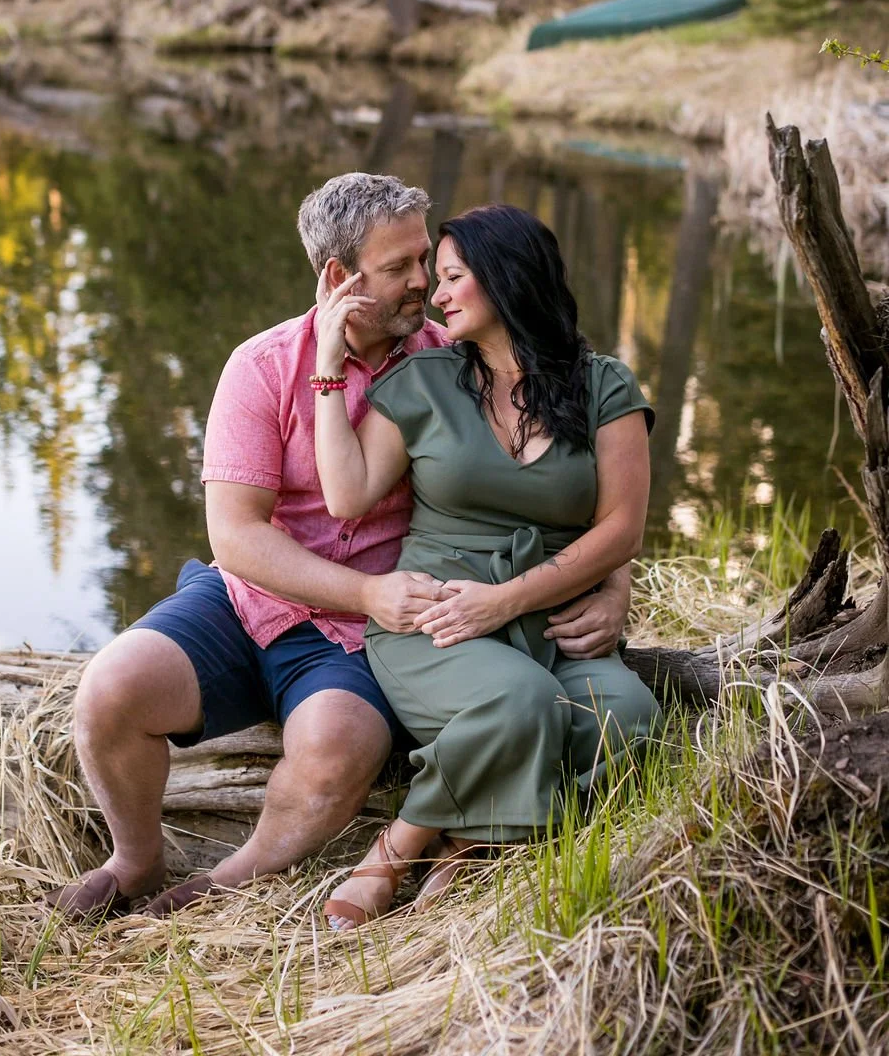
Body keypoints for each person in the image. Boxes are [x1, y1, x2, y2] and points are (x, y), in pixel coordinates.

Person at [46, 175, 635, 922]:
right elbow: (234, 536)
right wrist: (362, 590)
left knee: (335, 748)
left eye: (427, 259)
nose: (426, 281)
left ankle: (223, 886)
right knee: (109, 689)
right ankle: (136, 860)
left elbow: (560, 478)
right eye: (401, 268)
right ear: (338, 279)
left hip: (364, 638)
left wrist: (614, 579)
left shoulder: (453, 355)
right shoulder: (261, 366)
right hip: (249, 601)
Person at [312, 203, 660, 930]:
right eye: (435, 279)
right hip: (434, 620)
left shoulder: (605, 387)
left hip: (551, 621)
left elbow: (622, 527)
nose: (436, 296)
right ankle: (397, 850)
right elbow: (346, 495)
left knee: (630, 719)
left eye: (452, 277)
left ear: (505, 278)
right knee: (523, 702)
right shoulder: (428, 380)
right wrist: (326, 368)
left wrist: (510, 600)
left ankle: (468, 838)